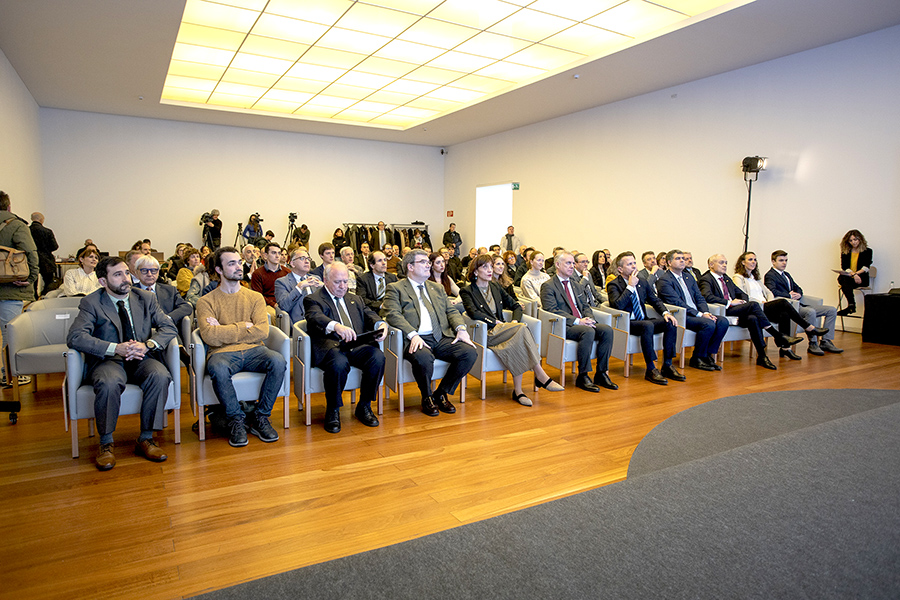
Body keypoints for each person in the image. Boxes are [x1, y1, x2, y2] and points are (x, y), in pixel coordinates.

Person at [66, 256, 178, 470]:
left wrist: (148, 345)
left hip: (141, 356)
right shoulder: (92, 302)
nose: (126, 278)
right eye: (117, 274)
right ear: (102, 281)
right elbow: (76, 337)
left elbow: (168, 327)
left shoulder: (145, 298)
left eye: (127, 272)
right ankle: (106, 443)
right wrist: (114, 347)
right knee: (108, 383)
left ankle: (146, 438)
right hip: (109, 360)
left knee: (160, 375)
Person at [196, 247, 286, 447]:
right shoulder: (205, 301)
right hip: (222, 354)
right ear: (219, 270)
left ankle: (261, 417)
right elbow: (210, 336)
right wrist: (243, 326)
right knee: (217, 368)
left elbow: (262, 331)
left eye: (239, 262)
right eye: (231, 263)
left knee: (278, 361)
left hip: (255, 350)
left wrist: (224, 330)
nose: (238, 267)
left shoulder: (254, 297)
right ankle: (236, 420)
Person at [382, 249, 477, 417]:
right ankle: (427, 397)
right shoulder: (395, 288)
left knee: (469, 352)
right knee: (424, 358)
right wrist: (412, 334)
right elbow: (393, 315)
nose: (429, 265)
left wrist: (461, 329)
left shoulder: (436, 288)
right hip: (415, 338)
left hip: (440, 336)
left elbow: (451, 311)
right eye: (423, 262)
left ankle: (441, 393)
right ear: (410, 266)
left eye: (428, 262)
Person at [461, 255, 564, 406]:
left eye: (491, 266)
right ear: (475, 272)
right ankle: (540, 377)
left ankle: (519, 391)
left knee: (519, 335)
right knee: (521, 331)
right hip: (486, 333)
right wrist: (495, 322)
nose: (490, 270)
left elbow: (515, 305)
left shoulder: (495, 287)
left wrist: (514, 321)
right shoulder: (467, 291)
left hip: (504, 330)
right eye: (485, 267)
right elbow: (473, 313)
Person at [303, 262, 387, 433]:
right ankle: (333, 410)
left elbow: (369, 314)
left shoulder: (354, 298)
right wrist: (336, 326)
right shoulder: (314, 299)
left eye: (345, 281)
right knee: (339, 364)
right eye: (337, 282)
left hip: (355, 344)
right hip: (331, 346)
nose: (343, 286)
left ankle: (364, 405)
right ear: (326, 280)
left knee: (378, 357)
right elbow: (315, 317)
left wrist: (381, 323)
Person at [698, 254, 802, 370]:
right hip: (724, 310)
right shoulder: (706, 279)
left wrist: (742, 300)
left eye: (726, 263)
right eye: (721, 262)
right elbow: (707, 297)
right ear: (711, 265)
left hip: (736, 309)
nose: (725, 265)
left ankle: (762, 356)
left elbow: (742, 293)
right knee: (754, 305)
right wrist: (730, 302)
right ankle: (777, 335)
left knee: (753, 318)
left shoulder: (726, 278)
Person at [540, 252, 617, 392]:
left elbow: (585, 306)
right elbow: (552, 310)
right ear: (557, 265)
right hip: (564, 325)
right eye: (568, 263)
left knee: (607, 330)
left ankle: (601, 373)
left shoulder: (576, 285)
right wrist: (578, 321)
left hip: (582, 322)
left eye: (572, 263)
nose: (572, 266)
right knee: (587, 331)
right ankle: (583, 375)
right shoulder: (548, 286)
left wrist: (589, 318)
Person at [732, 252, 830, 361]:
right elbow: (743, 295)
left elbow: (769, 292)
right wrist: (761, 302)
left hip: (764, 306)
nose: (753, 262)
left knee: (784, 313)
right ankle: (809, 327)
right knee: (783, 302)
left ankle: (785, 349)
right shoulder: (738, 277)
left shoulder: (755, 278)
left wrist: (769, 301)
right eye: (750, 259)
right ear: (742, 262)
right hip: (755, 307)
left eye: (755, 260)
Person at [607, 252, 684, 385]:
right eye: (629, 264)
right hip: (627, 323)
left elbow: (654, 300)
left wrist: (666, 313)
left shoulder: (642, 282)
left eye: (634, 263)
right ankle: (651, 368)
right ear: (620, 269)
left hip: (644, 320)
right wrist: (630, 286)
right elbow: (618, 305)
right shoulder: (614, 284)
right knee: (647, 325)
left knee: (670, 322)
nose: (633, 266)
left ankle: (667, 365)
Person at [655, 250, 728, 371]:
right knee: (708, 324)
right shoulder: (664, 280)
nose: (682, 260)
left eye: (683, 258)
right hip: (682, 315)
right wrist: (699, 314)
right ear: (669, 262)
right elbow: (677, 302)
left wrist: (705, 312)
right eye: (678, 258)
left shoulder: (689, 277)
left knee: (722, 321)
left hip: (696, 313)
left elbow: (699, 297)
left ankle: (707, 356)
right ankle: (697, 358)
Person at [765, 250, 842, 355]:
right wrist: (790, 295)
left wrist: (799, 294)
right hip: (791, 306)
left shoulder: (786, 274)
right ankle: (813, 343)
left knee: (831, 310)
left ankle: (826, 341)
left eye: (786, 260)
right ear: (773, 262)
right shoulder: (770, 275)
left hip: (800, 303)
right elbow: (772, 291)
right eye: (781, 260)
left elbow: (798, 288)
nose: (784, 263)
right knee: (810, 312)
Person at [0, 192, 38, 387]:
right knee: (9, 333)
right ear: (8, 207)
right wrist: (31, 278)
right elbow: (30, 252)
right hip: (9, 288)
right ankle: (10, 374)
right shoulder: (16, 225)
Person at [134, 254, 192, 362]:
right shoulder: (131, 292)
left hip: (165, 329)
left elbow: (186, 307)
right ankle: (182, 356)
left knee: (169, 329)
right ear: (137, 272)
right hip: (141, 333)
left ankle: (182, 358)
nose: (149, 274)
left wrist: (168, 318)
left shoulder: (169, 290)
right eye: (144, 271)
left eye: (154, 270)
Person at [275, 246, 323, 325]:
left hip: (320, 322)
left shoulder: (316, 279)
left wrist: (325, 288)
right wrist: (299, 287)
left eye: (308, 259)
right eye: (302, 258)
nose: (307, 261)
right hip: (300, 326)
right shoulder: (282, 282)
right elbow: (284, 307)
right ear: (292, 263)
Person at [836, 229, 872, 315]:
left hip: (861, 278)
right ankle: (851, 306)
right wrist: (853, 274)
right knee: (842, 278)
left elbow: (866, 267)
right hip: (850, 277)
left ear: (860, 239)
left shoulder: (868, 251)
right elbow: (844, 266)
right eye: (851, 240)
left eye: (855, 239)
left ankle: (851, 306)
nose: (853, 242)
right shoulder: (845, 252)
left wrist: (856, 274)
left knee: (844, 282)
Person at [250, 242, 291, 318]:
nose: (277, 256)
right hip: (267, 304)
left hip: (284, 301)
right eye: (273, 253)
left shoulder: (287, 272)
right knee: (273, 315)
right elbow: (258, 295)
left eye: (279, 253)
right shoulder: (258, 273)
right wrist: (273, 304)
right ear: (266, 255)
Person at [30, 212, 58, 296]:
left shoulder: (27, 230)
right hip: (46, 259)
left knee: (33, 281)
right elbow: (54, 246)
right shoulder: (47, 231)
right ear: (42, 220)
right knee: (48, 281)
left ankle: (34, 299)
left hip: (31, 258)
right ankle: (45, 296)